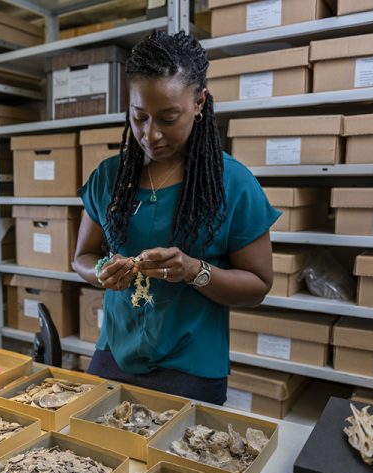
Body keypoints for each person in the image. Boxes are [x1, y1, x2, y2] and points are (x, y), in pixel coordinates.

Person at [73, 29, 280, 405]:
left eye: (168, 118)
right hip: (115, 352)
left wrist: (194, 271)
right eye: (139, 117)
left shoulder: (232, 183)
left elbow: (258, 285)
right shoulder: (109, 177)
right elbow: (81, 259)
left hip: (191, 366)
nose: (150, 135)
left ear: (199, 102)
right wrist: (103, 271)